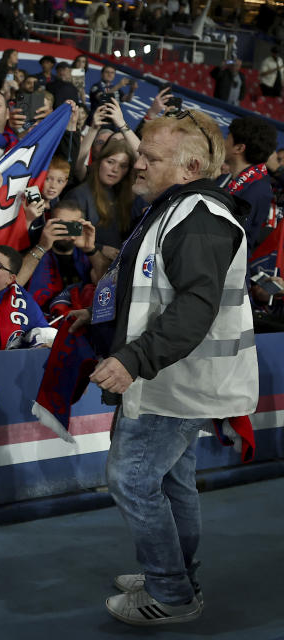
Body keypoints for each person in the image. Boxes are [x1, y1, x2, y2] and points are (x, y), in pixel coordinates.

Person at [65, 108, 257, 626]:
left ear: (191, 165)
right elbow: (154, 285)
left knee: (130, 477)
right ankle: (174, 573)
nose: (137, 165)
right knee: (172, 481)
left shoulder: (198, 218)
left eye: (151, 157)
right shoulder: (176, 210)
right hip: (173, 377)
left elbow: (196, 306)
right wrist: (101, 314)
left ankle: (170, 591)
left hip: (177, 379)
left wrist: (132, 359)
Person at [19, 200, 104, 318]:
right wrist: (42, 247)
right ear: (48, 224)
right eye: (61, 225)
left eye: (72, 225)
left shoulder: (87, 256)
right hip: (40, 321)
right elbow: (14, 283)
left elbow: (108, 286)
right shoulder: (34, 251)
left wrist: (91, 250)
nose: (66, 231)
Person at [0, 245, 49, 351]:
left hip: (9, 364)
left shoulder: (24, 300)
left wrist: (44, 343)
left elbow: (44, 331)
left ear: (10, 278)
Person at [65, 138, 135, 249]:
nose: (115, 169)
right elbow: (68, 238)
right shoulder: (78, 195)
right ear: (99, 161)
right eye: (110, 162)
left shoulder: (122, 196)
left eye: (123, 166)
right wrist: (99, 248)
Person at [221, 116, 276, 258]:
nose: (224, 142)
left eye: (228, 138)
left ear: (239, 148)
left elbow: (232, 240)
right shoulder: (232, 176)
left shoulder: (256, 190)